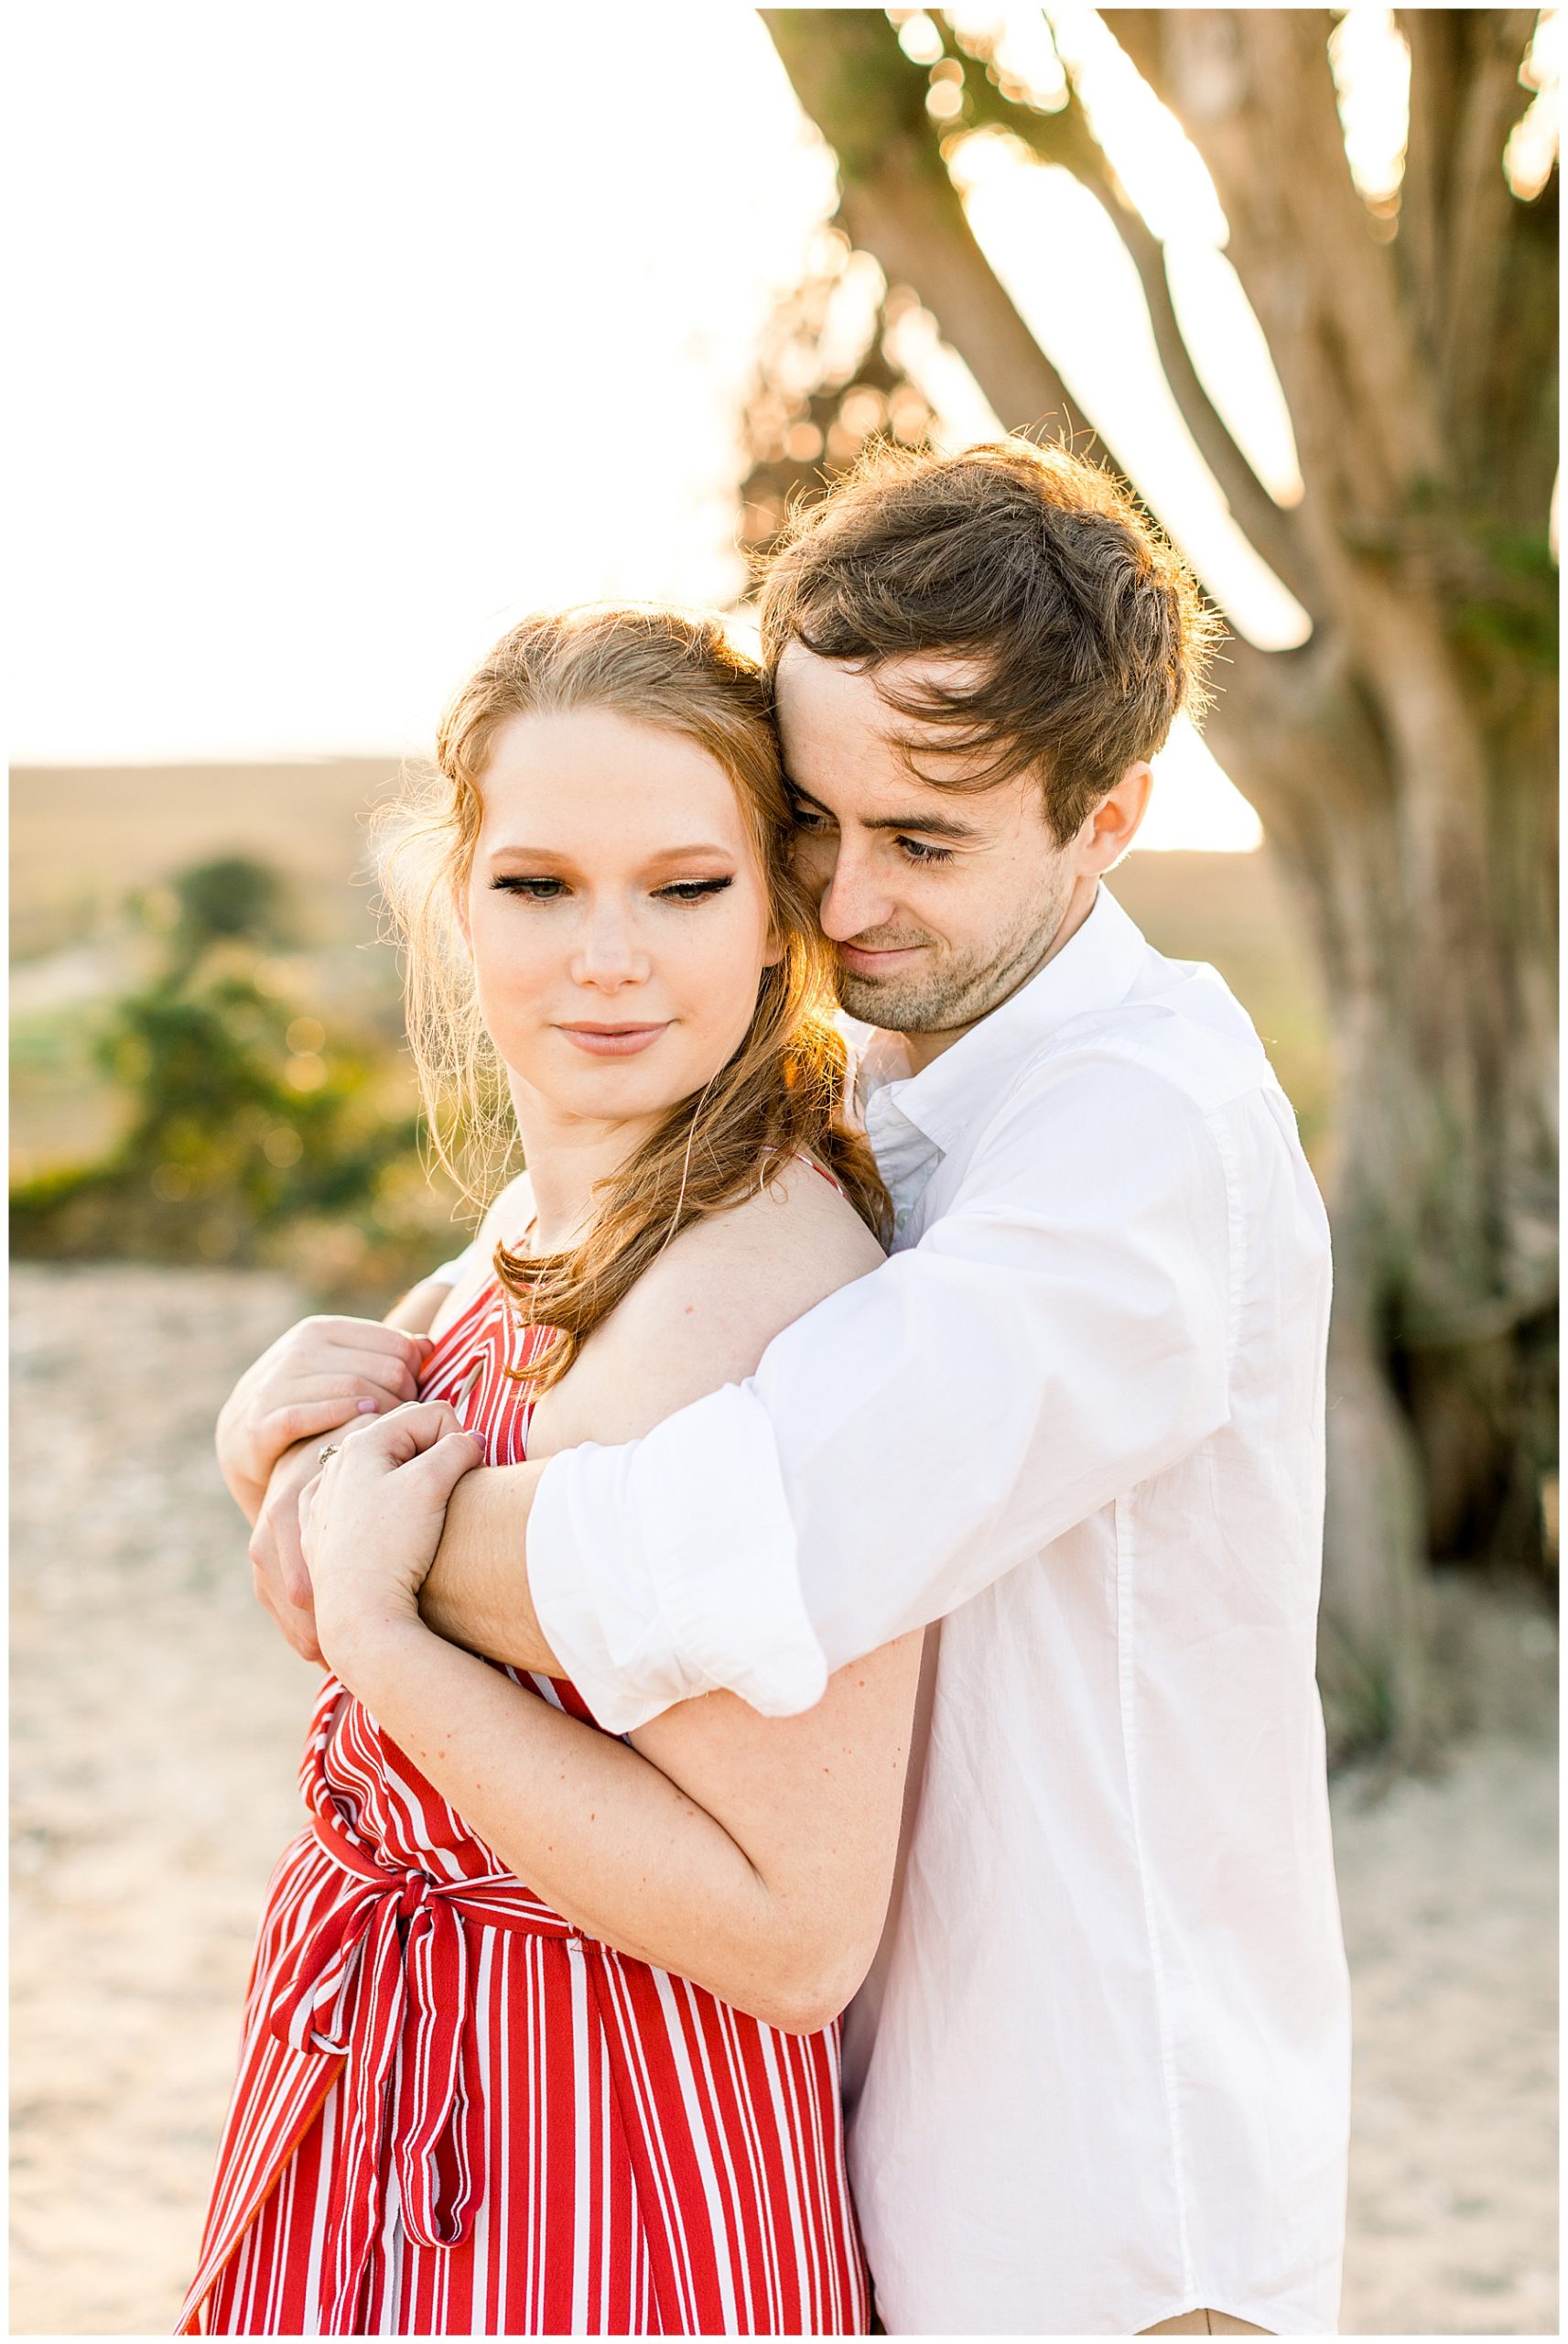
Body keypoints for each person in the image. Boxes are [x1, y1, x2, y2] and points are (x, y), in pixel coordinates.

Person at [235, 441, 1352, 2336]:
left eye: (922, 841)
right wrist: (286, 1416)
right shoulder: (917, 1075)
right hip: (873, 2145)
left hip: (1092, 2197)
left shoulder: (1134, 1132)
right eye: (810, 824)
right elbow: (536, 1312)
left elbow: (739, 1536)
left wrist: (368, 1564)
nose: (839, 902)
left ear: (1109, 819)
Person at [183, 606, 925, 2335]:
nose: (609, 957)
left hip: (593, 2167)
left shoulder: (751, 1290)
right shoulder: (546, 1223)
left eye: (684, 887)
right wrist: (276, 1451)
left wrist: (378, 1640)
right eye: (538, 886)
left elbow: (791, 1931)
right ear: (456, 902)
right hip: (404, 2100)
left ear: (777, 917)